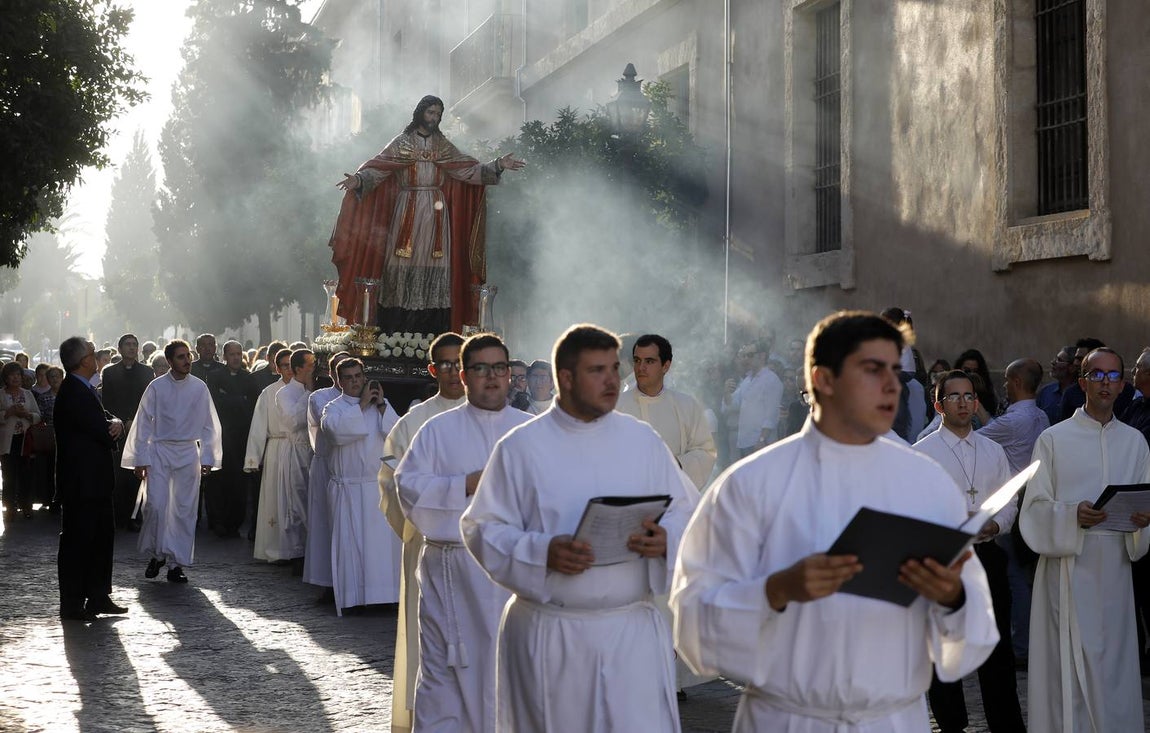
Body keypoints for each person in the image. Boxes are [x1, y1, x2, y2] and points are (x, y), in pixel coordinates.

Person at [671, 311, 998, 732]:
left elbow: (973, 629)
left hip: (893, 719)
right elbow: (692, 624)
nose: (891, 385)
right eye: (872, 370)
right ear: (823, 379)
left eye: (894, 371)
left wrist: (952, 596)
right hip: (788, 718)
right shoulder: (749, 485)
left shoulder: (926, 482)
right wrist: (776, 590)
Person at [461, 324, 699, 731]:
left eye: (613, 368)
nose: (612, 380)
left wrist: (667, 538)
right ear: (565, 379)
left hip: (630, 634)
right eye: (597, 370)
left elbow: (685, 509)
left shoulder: (642, 441)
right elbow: (482, 527)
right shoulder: (522, 447)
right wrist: (541, 552)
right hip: (551, 635)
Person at [395, 333, 532, 731]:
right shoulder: (436, 430)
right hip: (452, 573)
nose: (492, 377)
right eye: (480, 368)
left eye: (500, 368)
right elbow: (408, 488)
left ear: (510, 375)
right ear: (464, 376)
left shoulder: (531, 431)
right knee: (445, 678)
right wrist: (462, 485)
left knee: (511, 671)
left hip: (513, 575)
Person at [1021, 347, 1150, 732]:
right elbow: (1032, 509)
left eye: (1113, 376)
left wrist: (1142, 521)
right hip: (1067, 569)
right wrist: (1070, 514)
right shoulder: (1052, 439)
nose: (1106, 383)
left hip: (1114, 570)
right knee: (1069, 673)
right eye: (1097, 375)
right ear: (1082, 382)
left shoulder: (1135, 443)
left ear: (1123, 384)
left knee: (1114, 667)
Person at [329, 95, 524, 335]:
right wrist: (358, 180)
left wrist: (498, 165)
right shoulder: (402, 142)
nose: (434, 118)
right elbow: (379, 169)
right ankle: (395, 329)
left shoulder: (442, 145)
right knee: (399, 263)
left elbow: (468, 171)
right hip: (406, 210)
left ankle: (432, 329)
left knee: (436, 263)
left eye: (438, 114)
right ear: (421, 112)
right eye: (431, 113)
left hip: (436, 213)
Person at [914, 370, 1025, 733]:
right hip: (944, 561)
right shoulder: (923, 452)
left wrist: (995, 525)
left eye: (969, 396)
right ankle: (951, 725)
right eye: (954, 396)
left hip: (987, 556)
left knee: (996, 649)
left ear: (977, 403)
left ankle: (1006, 724)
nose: (963, 402)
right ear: (938, 404)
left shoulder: (993, 450)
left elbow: (1009, 500)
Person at [377, 331, 466, 733]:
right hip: (427, 548)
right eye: (444, 364)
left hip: (480, 552)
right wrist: (421, 525)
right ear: (432, 370)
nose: (453, 371)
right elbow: (391, 482)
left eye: (459, 362)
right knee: (427, 642)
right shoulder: (414, 421)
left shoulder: (491, 415)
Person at [122, 340, 222, 584]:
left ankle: (176, 563)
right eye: (181, 357)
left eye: (188, 356)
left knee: (184, 510)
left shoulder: (199, 388)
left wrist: (207, 456)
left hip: (188, 452)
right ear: (169, 361)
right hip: (159, 451)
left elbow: (210, 424)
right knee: (156, 505)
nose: (187, 360)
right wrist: (140, 458)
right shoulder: (156, 387)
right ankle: (157, 554)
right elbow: (143, 423)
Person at [320, 358, 401, 614]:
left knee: (381, 549)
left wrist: (380, 408)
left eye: (359, 376)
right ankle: (355, 598)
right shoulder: (333, 408)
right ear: (340, 381)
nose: (356, 381)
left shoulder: (381, 406)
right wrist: (362, 405)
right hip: (349, 489)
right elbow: (334, 433)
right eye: (349, 378)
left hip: (375, 488)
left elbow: (397, 437)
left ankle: (385, 596)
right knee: (351, 547)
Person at [54, 337, 127, 621]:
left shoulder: (84, 388)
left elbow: (106, 419)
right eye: (93, 353)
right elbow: (101, 428)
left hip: (95, 481)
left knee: (100, 539)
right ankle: (72, 603)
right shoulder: (73, 390)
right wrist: (115, 426)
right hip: (81, 483)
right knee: (78, 542)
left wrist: (117, 422)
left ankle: (98, 595)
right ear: (84, 360)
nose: (96, 357)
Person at [615, 334, 716, 489]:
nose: (641, 367)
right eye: (637, 361)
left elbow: (705, 451)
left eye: (649, 361)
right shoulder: (617, 407)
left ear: (665, 366)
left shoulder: (686, 405)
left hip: (676, 499)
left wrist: (677, 464)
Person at [302, 351, 351, 600]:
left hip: (351, 470)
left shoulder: (360, 397)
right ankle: (327, 580)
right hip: (325, 466)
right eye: (340, 369)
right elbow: (330, 426)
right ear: (331, 373)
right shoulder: (319, 397)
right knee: (325, 523)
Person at [203, 340, 261, 538]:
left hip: (242, 437)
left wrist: (232, 399)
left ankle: (234, 523)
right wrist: (238, 399)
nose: (236, 357)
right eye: (232, 354)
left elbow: (251, 406)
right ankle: (218, 521)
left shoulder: (249, 378)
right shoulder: (215, 376)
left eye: (239, 353)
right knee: (219, 481)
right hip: (221, 436)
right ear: (225, 356)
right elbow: (215, 403)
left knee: (239, 483)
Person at [99, 333, 154, 530]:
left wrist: (135, 420)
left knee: (138, 473)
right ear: (120, 349)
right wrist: (122, 420)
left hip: (141, 430)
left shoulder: (147, 372)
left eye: (134, 345)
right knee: (118, 474)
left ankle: (134, 516)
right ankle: (118, 515)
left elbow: (147, 401)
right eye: (127, 345)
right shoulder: (111, 372)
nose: (131, 348)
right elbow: (107, 402)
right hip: (118, 429)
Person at [246, 348, 294, 558]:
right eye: (284, 365)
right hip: (276, 449)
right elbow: (258, 427)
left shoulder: (306, 391)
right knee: (275, 501)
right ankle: (276, 549)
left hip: (298, 450)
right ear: (276, 367)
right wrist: (253, 459)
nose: (289, 370)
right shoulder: (268, 393)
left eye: (292, 366)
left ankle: (296, 549)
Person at [273, 349, 317, 568]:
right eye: (310, 365)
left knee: (314, 500)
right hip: (296, 449)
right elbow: (292, 421)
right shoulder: (285, 393)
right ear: (298, 368)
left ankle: (315, 549)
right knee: (297, 501)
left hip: (314, 452)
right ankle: (298, 553)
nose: (313, 369)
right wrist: (309, 393)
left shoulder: (317, 389)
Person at [721, 341, 784, 457]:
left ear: (762, 356)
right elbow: (732, 404)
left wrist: (761, 440)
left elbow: (771, 415)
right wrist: (726, 392)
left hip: (763, 445)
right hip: (745, 443)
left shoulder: (771, 380)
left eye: (750, 355)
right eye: (744, 356)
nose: (746, 359)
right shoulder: (747, 381)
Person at [1, 360, 41, 519]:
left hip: (25, 441)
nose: (15, 378)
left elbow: (38, 416)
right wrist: (8, 412)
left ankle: (26, 506)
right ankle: (9, 507)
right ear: (6, 377)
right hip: (7, 442)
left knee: (26, 475)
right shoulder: (1, 394)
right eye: (12, 375)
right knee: (8, 476)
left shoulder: (28, 394)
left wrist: (27, 415)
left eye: (18, 375)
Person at [1036, 345, 1075, 425]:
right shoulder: (1045, 392)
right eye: (1055, 359)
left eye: (1059, 360)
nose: (1053, 362)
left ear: (1071, 367)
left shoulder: (1081, 394)